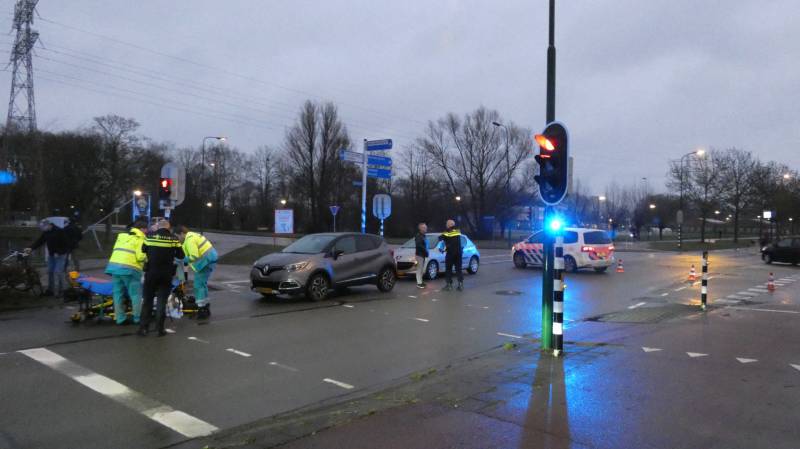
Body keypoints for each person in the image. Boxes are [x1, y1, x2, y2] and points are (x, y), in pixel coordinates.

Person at [139, 220, 184, 336]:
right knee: (161, 302)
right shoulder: (174, 239)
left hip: (151, 273)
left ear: (158, 227)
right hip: (166, 274)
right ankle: (160, 329)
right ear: (168, 228)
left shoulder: (149, 237)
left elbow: (143, 250)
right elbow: (181, 255)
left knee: (147, 301)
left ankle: (144, 328)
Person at [105, 219, 148, 325]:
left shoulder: (122, 236)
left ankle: (120, 318)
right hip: (130, 269)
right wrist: (149, 256)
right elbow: (140, 256)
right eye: (146, 229)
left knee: (117, 294)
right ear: (142, 229)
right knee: (135, 294)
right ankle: (137, 318)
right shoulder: (141, 238)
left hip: (114, 268)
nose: (147, 231)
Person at [176, 226, 218, 319]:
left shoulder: (189, 240)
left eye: (178, 236)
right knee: (203, 284)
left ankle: (201, 309)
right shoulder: (192, 236)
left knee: (198, 286)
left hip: (205, 262)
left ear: (182, 233)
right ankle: (205, 306)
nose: (178, 239)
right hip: (209, 260)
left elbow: (193, 256)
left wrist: (181, 259)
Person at [25, 219, 71, 297]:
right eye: (41, 227)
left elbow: (67, 245)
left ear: (49, 225)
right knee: (50, 271)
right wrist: (31, 248)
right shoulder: (46, 232)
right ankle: (50, 290)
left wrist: (59, 252)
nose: (42, 229)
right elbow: (40, 241)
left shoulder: (59, 231)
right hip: (51, 255)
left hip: (61, 255)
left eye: (43, 227)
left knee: (58, 272)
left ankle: (63, 291)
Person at [438, 219, 463, 291]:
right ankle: (460, 284)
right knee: (458, 269)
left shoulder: (447, 232)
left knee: (448, 269)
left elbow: (440, 238)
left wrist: (443, 248)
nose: (446, 225)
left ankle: (449, 285)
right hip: (459, 253)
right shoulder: (458, 231)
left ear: (449, 225)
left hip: (450, 254)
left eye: (447, 224)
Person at [414, 223, 429, 289]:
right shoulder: (419, 236)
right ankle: (419, 283)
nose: (426, 229)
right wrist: (425, 251)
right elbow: (419, 245)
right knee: (419, 269)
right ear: (420, 228)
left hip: (422, 254)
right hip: (420, 254)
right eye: (424, 227)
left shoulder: (423, 236)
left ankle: (421, 282)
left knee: (421, 269)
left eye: (426, 227)